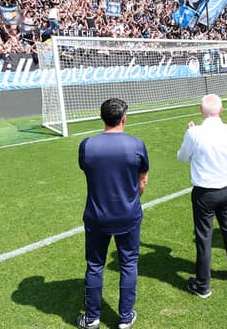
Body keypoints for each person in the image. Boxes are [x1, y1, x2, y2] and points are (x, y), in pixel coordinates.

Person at [77, 98, 148, 329]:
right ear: (124, 119)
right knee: (128, 264)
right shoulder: (137, 145)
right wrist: (133, 198)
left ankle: (92, 318)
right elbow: (143, 180)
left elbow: (87, 171)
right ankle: (125, 318)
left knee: (95, 265)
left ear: (101, 118)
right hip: (128, 214)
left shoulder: (87, 146)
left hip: (97, 216)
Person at [177, 94, 227, 298]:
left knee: (204, 237)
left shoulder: (195, 133)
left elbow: (182, 157)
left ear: (201, 110)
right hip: (226, 187)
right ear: (221, 111)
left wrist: (190, 133)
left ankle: (203, 285)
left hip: (205, 191)